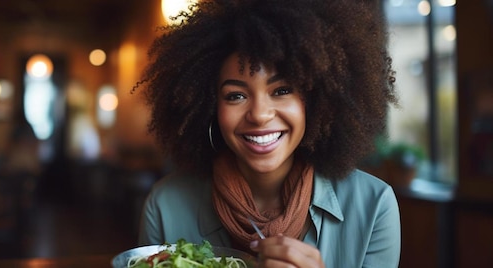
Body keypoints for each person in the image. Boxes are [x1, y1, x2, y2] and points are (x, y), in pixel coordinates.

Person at [134, 0, 401, 267]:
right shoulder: (165, 207)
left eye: (282, 90)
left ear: (316, 101)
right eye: (236, 95)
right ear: (210, 108)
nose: (260, 114)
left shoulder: (374, 206)